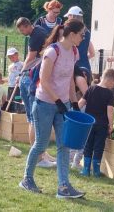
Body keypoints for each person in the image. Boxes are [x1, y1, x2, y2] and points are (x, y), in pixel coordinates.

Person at [19, 19, 86, 199]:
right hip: (44, 104)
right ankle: (27, 179)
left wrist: (73, 103)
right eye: (82, 34)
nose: (83, 38)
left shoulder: (73, 51)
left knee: (63, 145)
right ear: (72, 34)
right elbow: (45, 80)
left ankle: (63, 187)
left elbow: (70, 80)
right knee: (41, 143)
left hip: (62, 105)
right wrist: (57, 101)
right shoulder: (52, 51)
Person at [15, 17, 55, 168]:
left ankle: (40, 154)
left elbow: (30, 57)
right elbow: (32, 57)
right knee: (33, 119)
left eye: (21, 30)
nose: (21, 33)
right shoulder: (39, 33)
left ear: (26, 25)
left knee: (32, 118)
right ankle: (38, 156)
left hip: (28, 78)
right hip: (29, 78)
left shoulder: (36, 35)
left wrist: (21, 73)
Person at [78, 68, 114, 177]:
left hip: (89, 124)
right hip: (102, 125)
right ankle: (96, 171)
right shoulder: (109, 94)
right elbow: (110, 111)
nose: (113, 85)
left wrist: (73, 113)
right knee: (99, 147)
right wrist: (111, 124)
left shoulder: (91, 89)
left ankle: (86, 170)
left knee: (88, 146)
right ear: (110, 80)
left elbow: (81, 103)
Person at [64, 6, 95, 80]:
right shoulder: (87, 32)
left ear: (71, 16)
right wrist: (83, 58)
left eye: (68, 16)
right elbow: (92, 53)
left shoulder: (69, 31)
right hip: (86, 67)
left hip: (73, 67)